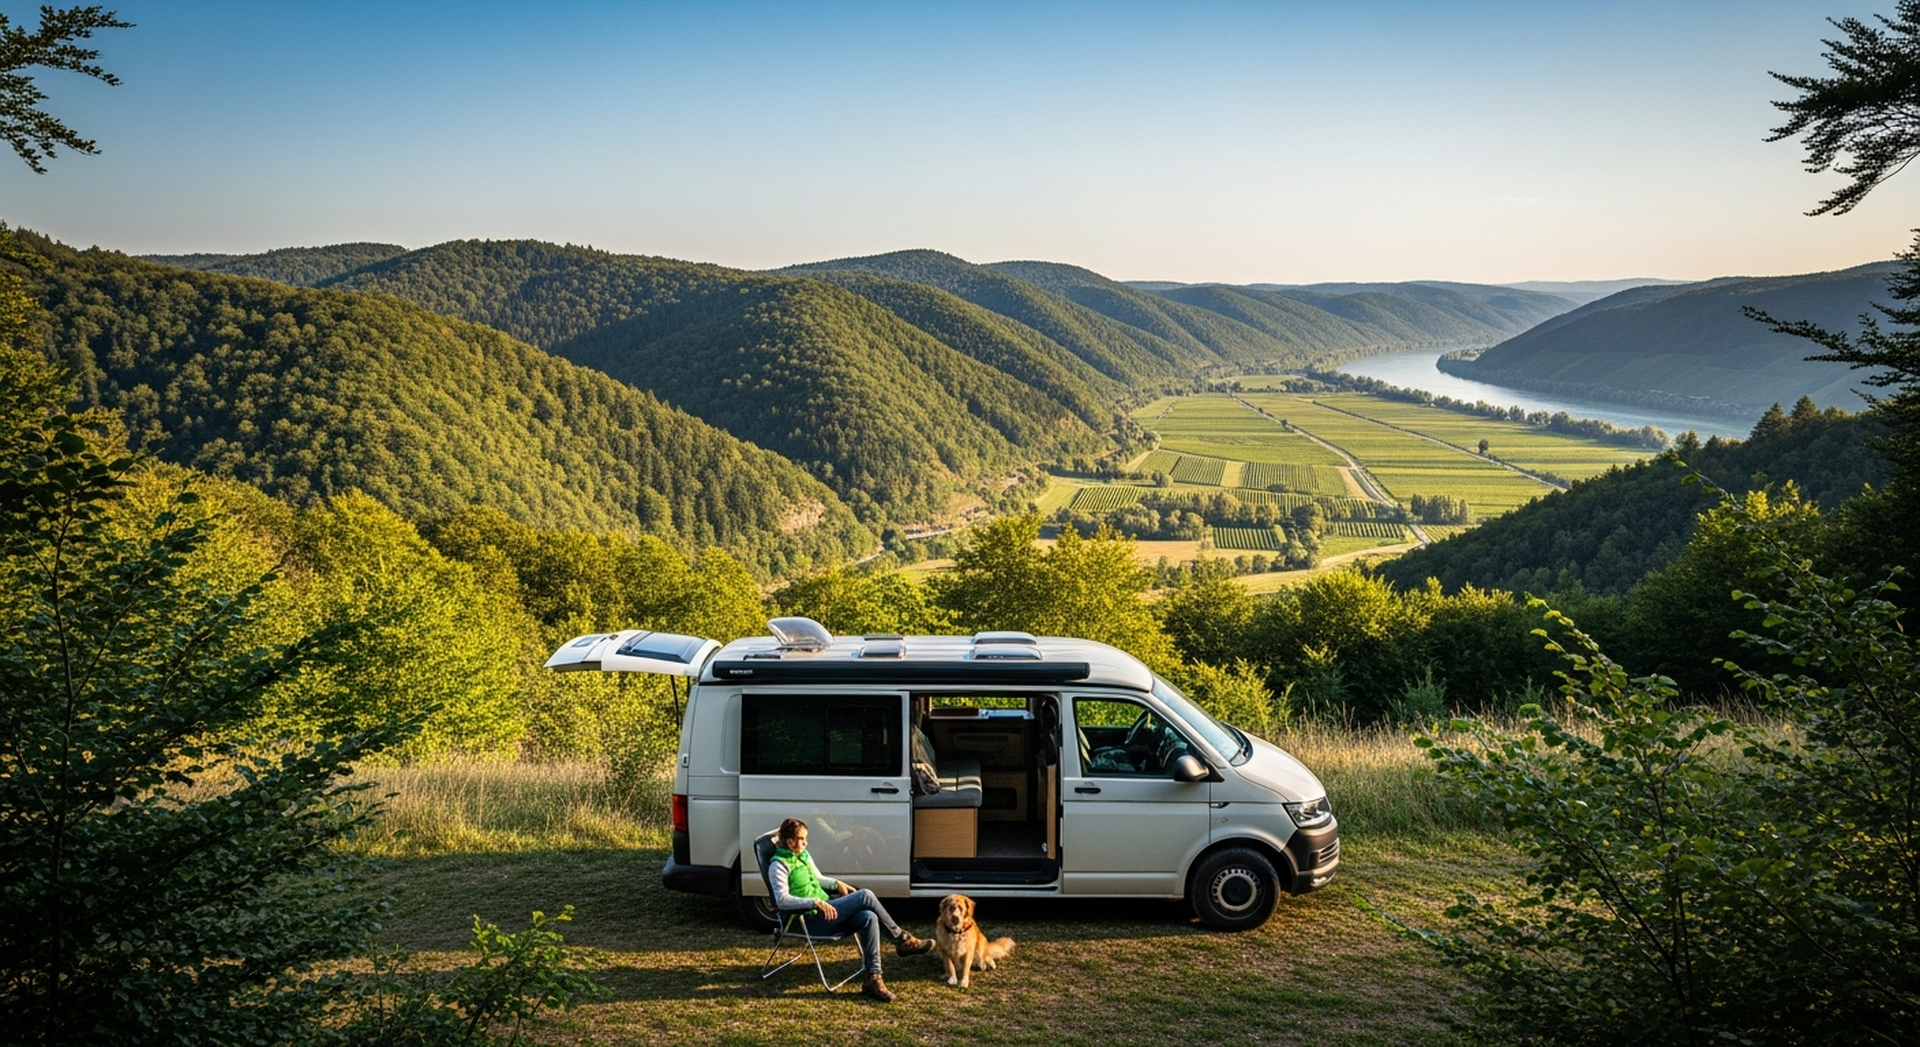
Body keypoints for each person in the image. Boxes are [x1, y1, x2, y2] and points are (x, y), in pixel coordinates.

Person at [768, 816, 933, 1002]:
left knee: (868, 916)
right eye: (802, 839)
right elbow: (782, 901)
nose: (806, 842)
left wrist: (837, 883)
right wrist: (814, 902)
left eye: (806, 838)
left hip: (826, 912)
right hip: (807, 920)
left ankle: (874, 979)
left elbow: (819, 878)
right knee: (865, 895)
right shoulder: (778, 865)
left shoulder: (802, 855)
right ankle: (903, 939)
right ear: (790, 841)